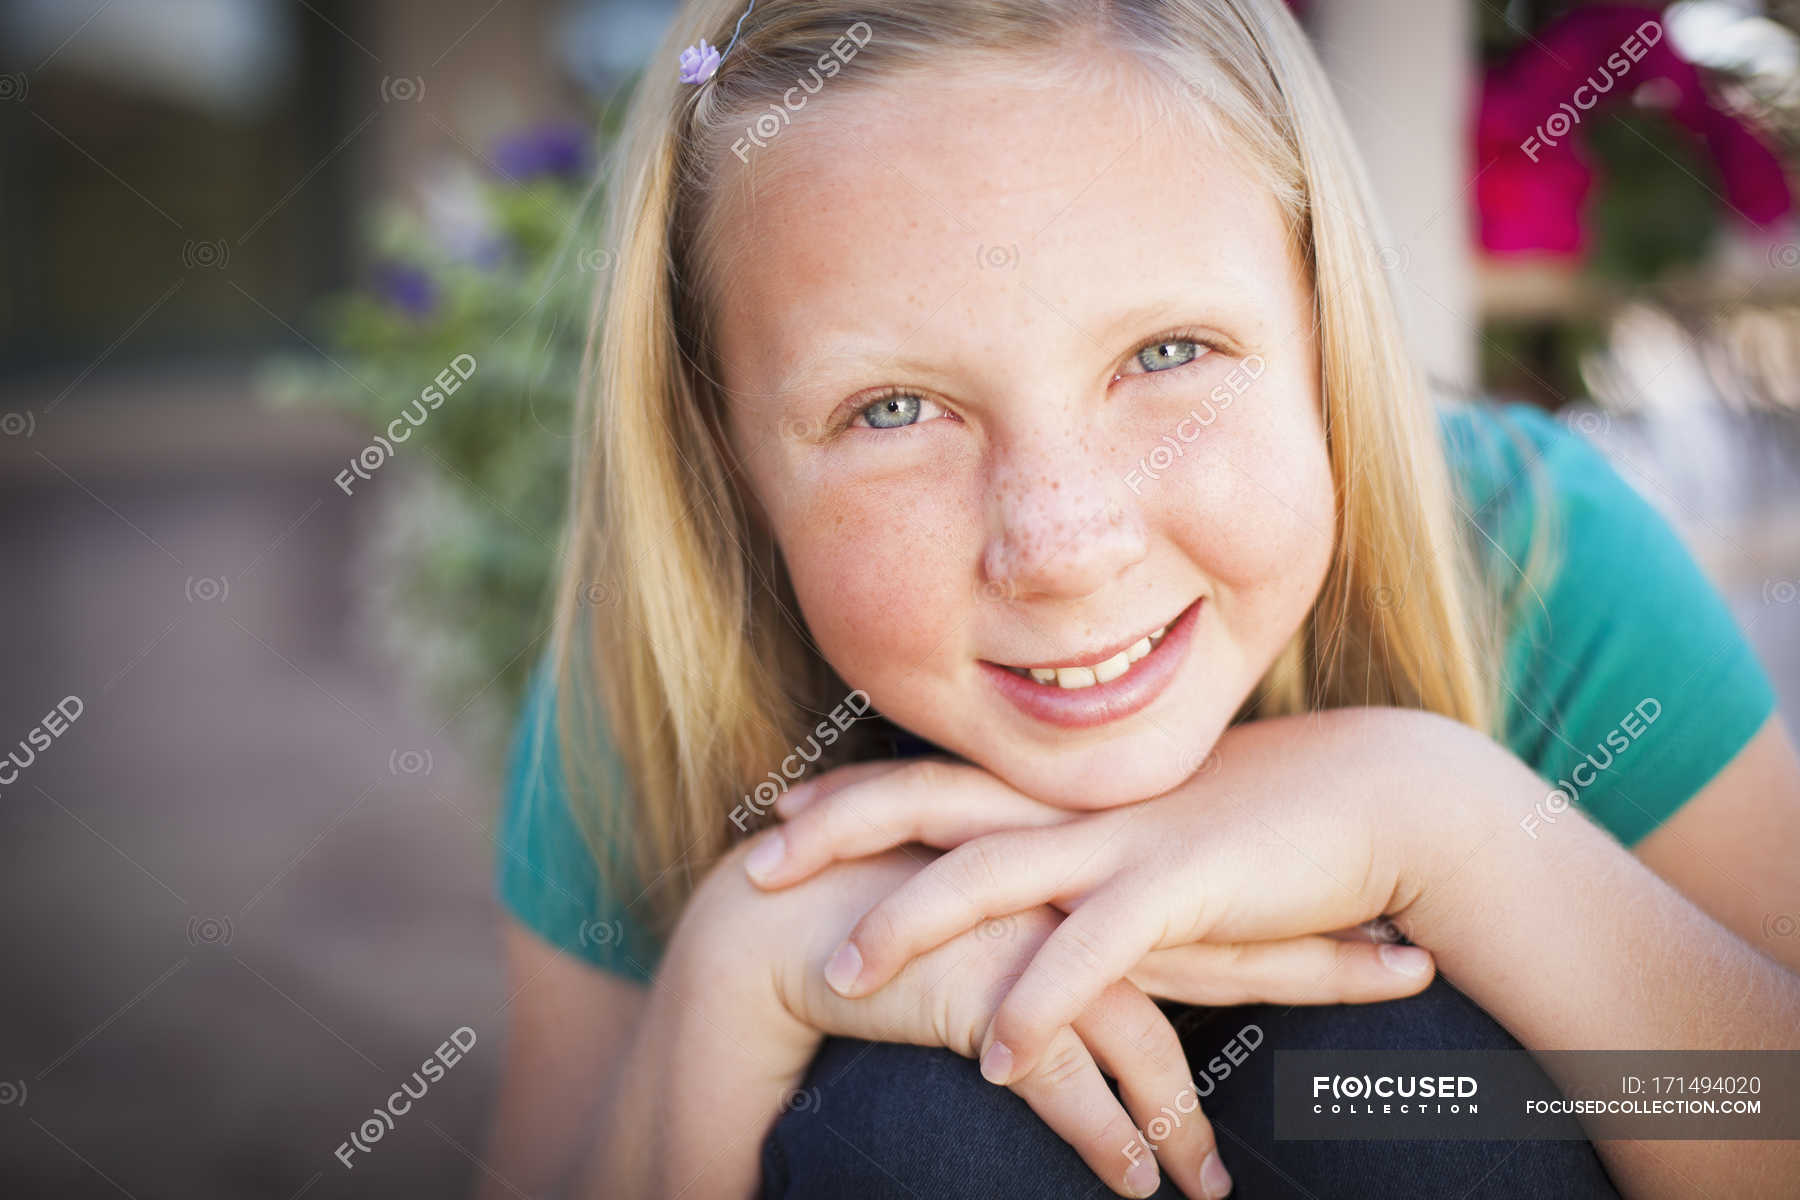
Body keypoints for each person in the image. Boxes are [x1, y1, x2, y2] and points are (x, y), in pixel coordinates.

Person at [477, 1, 1800, 1196]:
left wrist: (1441, 821)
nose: (1061, 543)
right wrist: (735, 974)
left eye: (1169, 352)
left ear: (1326, 331)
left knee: (1393, 1080)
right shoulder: (656, 672)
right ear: (728, 459)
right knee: (923, 1121)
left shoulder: (1531, 558)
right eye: (893, 409)